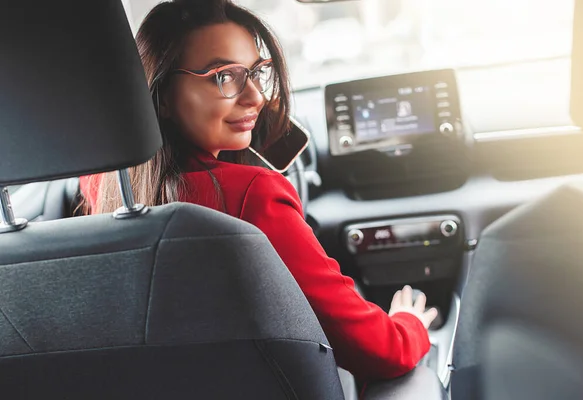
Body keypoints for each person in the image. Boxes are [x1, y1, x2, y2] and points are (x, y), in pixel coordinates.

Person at [80, 0, 437, 383]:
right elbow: (382, 351)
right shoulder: (255, 197)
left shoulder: (102, 185)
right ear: (163, 95)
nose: (257, 98)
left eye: (256, 72)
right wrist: (409, 322)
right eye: (224, 76)